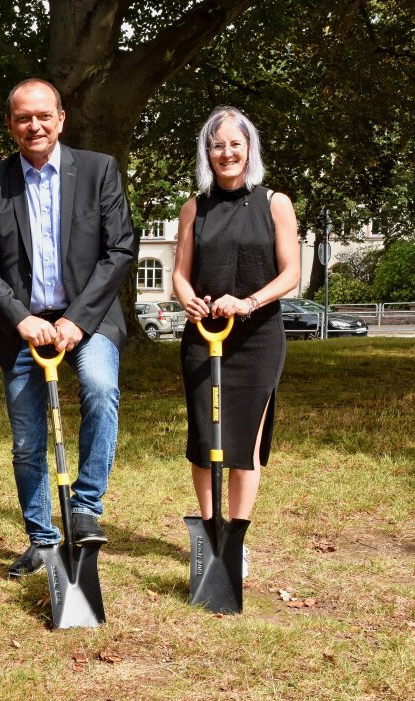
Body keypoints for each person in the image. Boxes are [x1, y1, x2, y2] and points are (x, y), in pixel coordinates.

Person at [0, 79, 137, 578]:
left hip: (90, 315)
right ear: (11, 125)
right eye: (23, 118)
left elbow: (120, 250)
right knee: (26, 438)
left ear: (61, 119)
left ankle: (85, 508)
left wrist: (76, 321)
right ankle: (42, 539)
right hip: (21, 322)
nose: (34, 125)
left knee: (100, 387)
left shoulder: (98, 170)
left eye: (43, 115)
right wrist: (21, 319)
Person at [172, 106, 299, 575]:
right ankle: (209, 534)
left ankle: (237, 537)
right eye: (217, 144)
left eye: (235, 144)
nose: (227, 153)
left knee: (245, 441)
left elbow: (291, 274)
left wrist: (247, 302)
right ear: (208, 152)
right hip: (204, 337)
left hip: (257, 337)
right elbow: (180, 277)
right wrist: (188, 300)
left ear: (250, 150)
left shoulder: (275, 203)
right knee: (206, 439)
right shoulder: (194, 207)